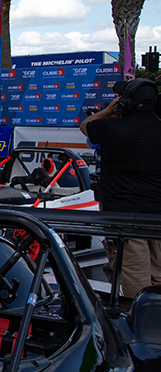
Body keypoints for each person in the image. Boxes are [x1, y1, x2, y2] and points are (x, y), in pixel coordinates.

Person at [80, 78, 161, 301]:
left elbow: (86, 125)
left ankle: (141, 316)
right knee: (158, 273)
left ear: (124, 102)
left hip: (125, 217)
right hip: (156, 214)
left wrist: (109, 110)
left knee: (135, 274)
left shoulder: (111, 128)